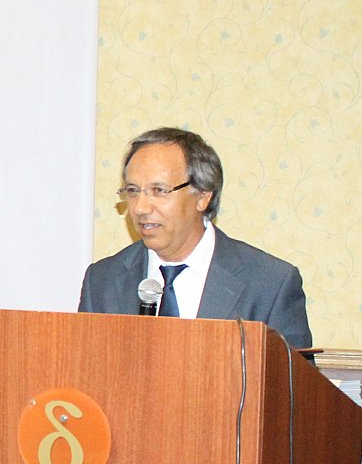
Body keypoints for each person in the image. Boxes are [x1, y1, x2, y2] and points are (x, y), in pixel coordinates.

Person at [77, 127, 313, 349]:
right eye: (132, 191)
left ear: (202, 196)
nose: (140, 208)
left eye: (159, 191)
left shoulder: (270, 284)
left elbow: (292, 380)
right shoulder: (102, 281)